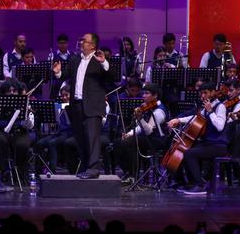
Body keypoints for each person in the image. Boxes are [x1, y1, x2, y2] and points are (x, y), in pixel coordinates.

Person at [52, 33, 110, 179]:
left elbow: (112, 78)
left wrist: (104, 63)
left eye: (84, 41)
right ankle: (85, 167)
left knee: (92, 138)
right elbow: (64, 75)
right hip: (76, 105)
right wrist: (58, 73)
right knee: (80, 138)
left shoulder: (99, 60)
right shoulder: (74, 59)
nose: (81, 42)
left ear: (92, 45)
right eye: (81, 40)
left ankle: (94, 169)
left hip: (93, 105)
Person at [166, 82, 229, 195]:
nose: (203, 96)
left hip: (218, 145)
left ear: (213, 92)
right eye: (201, 93)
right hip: (209, 143)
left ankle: (200, 185)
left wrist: (210, 112)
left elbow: (220, 127)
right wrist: (178, 120)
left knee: (190, 154)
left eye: (205, 93)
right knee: (185, 149)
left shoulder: (221, 107)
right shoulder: (207, 106)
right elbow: (196, 117)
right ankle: (190, 182)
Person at [113, 83, 169, 179]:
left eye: (147, 93)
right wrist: (129, 134)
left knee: (129, 142)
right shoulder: (147, 107)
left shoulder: (159, 111)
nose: (143, 96)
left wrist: (141, 118)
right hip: (147, 138)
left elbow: (149, 131)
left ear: (155, 95)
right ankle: (128, 171)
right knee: (118, 142)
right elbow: (140, 128)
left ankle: (133, 174)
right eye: (143, 93)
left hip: (157, 140)